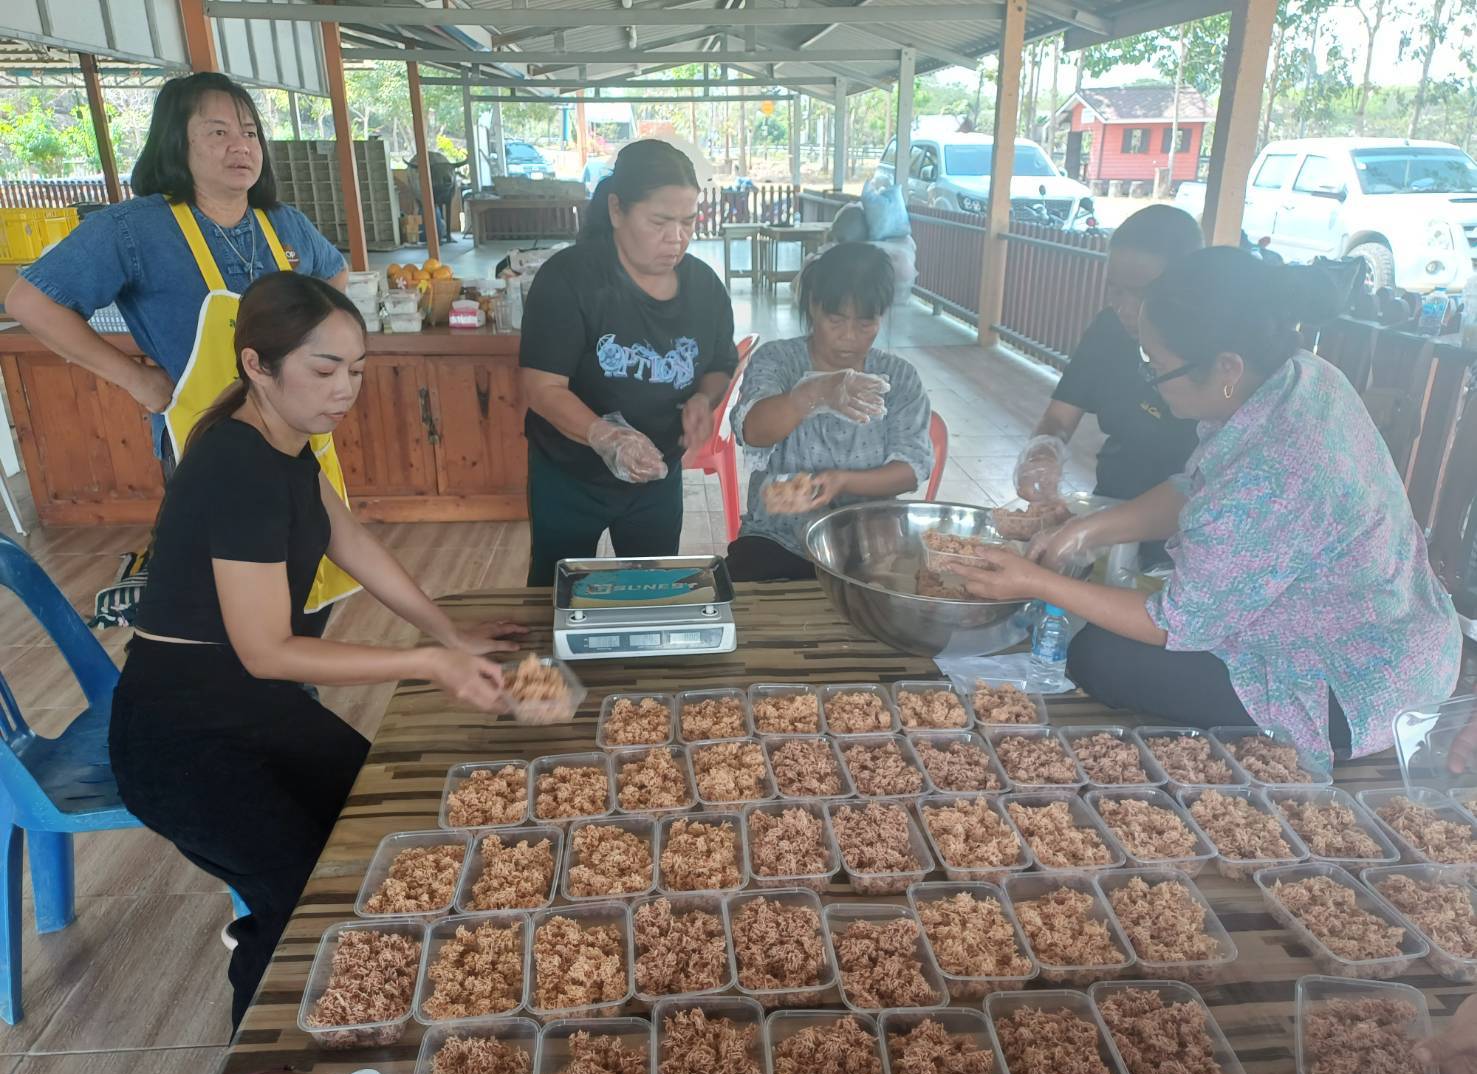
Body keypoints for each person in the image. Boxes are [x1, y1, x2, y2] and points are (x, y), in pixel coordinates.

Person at [108, 272, 524, 1029]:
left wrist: (447, 631)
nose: (344, 391)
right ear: (256, 367)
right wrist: (427, 662)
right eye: (324, 370)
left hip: (250, 710)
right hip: (183, 742)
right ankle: (262, 1068)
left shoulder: (285, 440)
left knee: (378, 833)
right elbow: (268, 650)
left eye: (356, 372)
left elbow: (350, 538)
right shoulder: (237, 465)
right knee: (307, 905)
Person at [953, 247, 1461, 768]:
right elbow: (1196, 485)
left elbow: (1174, 623)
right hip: (1410, 636)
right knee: (1101, 626)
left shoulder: (1272, 467)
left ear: (1226, 367)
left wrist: (1037, 582)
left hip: (1356, 687)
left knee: (1098, 657)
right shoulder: (1301, 377)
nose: (1150, 378)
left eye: (1158, 366)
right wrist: (1084, 531)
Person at [8, 72, 348, 477]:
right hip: (205, 440)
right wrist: (135, 379)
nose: (241, 145)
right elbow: (30, 300)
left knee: (315, 538)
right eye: (218, 132)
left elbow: (334, 274)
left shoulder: (283, 223)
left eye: (250, 133)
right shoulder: (133, 228)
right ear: (175, 143)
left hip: (297, 433)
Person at [518, 139, 738, 587]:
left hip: (657, 475)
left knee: (650, 586)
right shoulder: (570, 280)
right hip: (569, 475)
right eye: (659, 221)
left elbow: (718, 362)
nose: (676, 237)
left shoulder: (704, 287)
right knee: (557, 589)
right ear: (617, 210)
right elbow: (542, 387)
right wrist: (605, 436)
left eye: (688, 221)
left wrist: (704, 397)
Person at [724, 242, 933, 581]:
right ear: (813, 306)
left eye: (865, 323)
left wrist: (842, 482)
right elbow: (752, 430)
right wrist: (813, 395)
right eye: (835, 320)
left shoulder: (898, 378)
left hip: (869, 540)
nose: (848, 337)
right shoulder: (779, 361)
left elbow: (911, 468)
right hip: (779, 536)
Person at [1013, 205, 1204, 522]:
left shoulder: (1213, 360)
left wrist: (1092, 531)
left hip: (1186, 528)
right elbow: (1059, 417)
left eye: (1142, 295)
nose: (1125, 309)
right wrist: (1043, 452)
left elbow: (1195, 488)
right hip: (1110, 504)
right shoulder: (1108, 330)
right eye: (1115, 290)